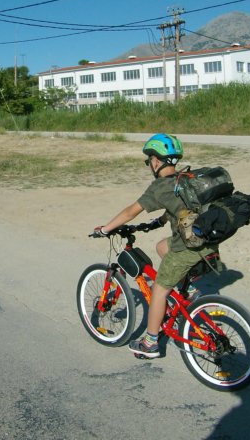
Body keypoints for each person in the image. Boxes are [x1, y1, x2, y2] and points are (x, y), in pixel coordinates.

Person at [94, 133, 220, 359]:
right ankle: (189, 291)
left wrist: (105, 229)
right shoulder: (184, 179)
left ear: (156, 161)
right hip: (208, 242)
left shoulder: (160, 186)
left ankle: (150, 342)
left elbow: (131, 212)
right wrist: (159, 222)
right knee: (162, 246)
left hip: (187, 249)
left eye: (149, 160)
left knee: (159, 291)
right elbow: (179, 208)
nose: (149, 164)